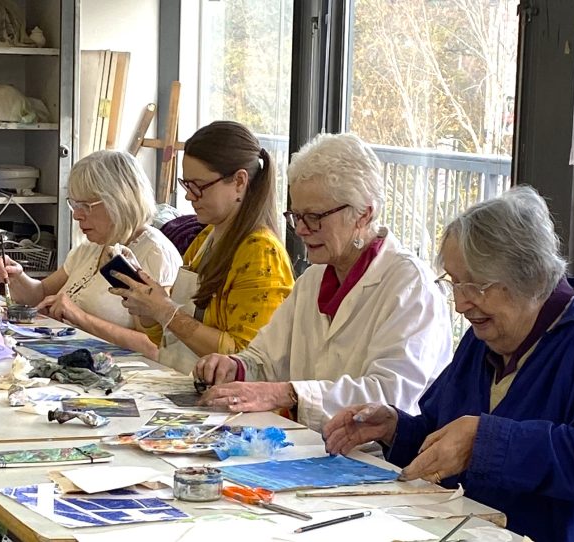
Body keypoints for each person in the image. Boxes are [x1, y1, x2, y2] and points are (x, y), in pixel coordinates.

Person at [322, 186, 574, 541]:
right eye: (455, 283)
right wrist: (394, 429)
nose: (460, 304)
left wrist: (487, 441)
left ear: (530, 277)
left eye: (475, 286)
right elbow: (440, 429)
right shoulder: (485, 337)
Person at [194, 133, 453, 432]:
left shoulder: (409, 286)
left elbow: (390, 396)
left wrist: (289, 393)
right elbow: (265, 359)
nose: (301, 230)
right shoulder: (315, 277)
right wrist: (233, 367)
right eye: (296, 216)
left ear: (363, 214)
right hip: (315, 447)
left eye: (314, 217)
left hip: (378, 459)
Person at [110, 121, 295, 374]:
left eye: (198, 187)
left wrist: (166, 312)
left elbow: (246, 359)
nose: (189, 196)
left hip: (232, 404)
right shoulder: (206, 236)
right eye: (187, 185)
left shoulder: (261, 253)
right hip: (188, 386)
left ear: (239, 181)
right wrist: (149, 310)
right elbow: (171, 339)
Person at [0, 150, 182, 360]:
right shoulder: (93, 245)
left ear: (119, 200)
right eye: (74, 204)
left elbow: (155, 347)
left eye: (86, 206)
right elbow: (41, 295)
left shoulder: (155, 253)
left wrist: (79, 317)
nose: (76, 214)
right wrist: (16, 276)